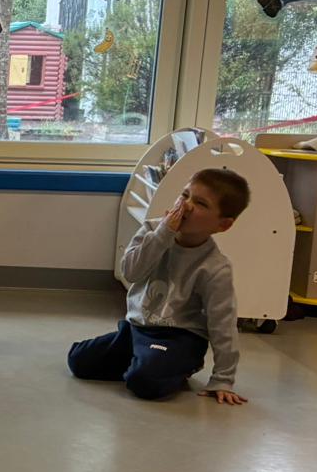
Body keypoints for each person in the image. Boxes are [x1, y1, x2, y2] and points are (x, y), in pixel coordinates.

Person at [67, 169, 250, 404]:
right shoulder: (152, 230)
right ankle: (146, 360)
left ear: (223, 225)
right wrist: (163, 234)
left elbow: (223, 323)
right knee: (79, 360)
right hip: (136, 329)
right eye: (185, 195)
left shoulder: (215, 268)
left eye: (200, 203)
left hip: (179, 338)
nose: (186, 206)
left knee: (144, 382)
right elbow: (131, 272)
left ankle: (169, 364)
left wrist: (223, 378)